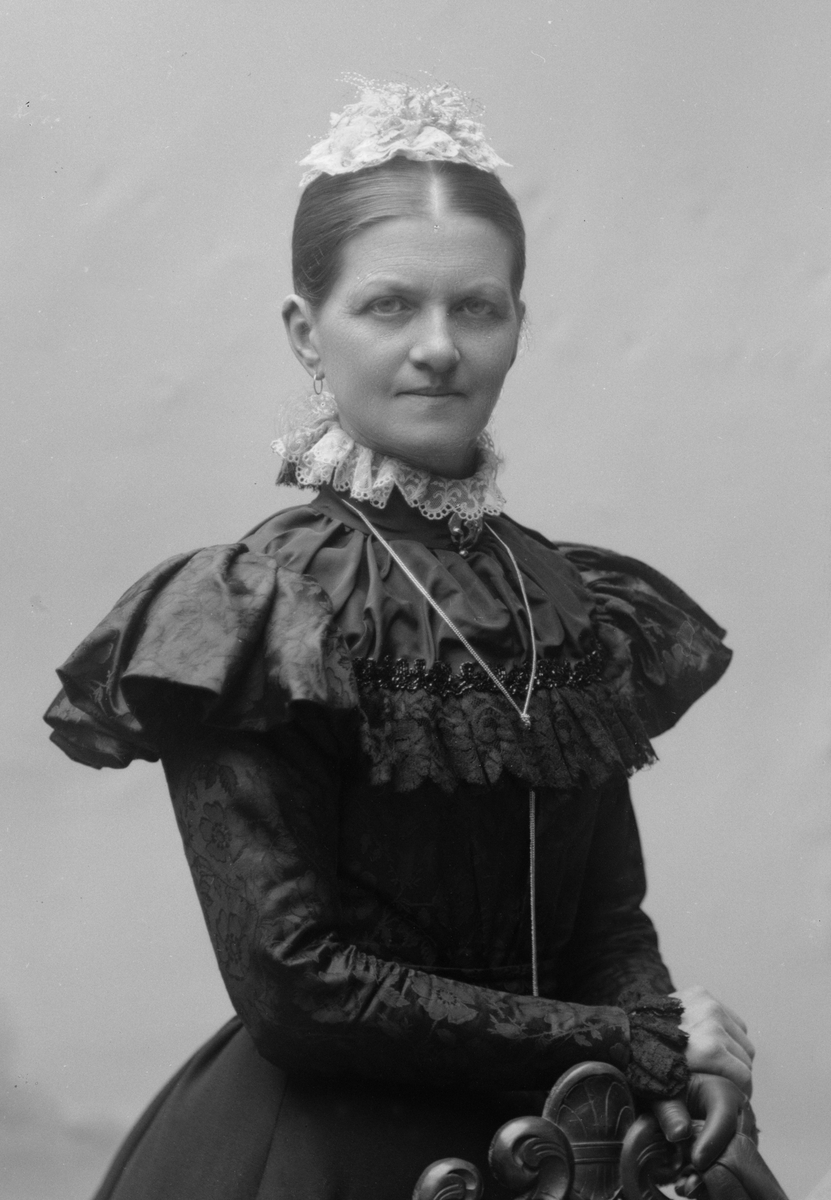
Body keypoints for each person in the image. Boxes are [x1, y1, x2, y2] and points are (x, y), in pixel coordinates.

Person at [45, 81, 759, 1199]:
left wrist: (667, 1063)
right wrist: (638, 1040)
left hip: (580, 1126)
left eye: (476, 307)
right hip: (336, 1149)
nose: (438, 348)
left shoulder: (568, 600)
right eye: (388, 307)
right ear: (307, 332)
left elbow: (605, 918)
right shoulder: (257, 612)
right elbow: (297, 989)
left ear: (517, 324)